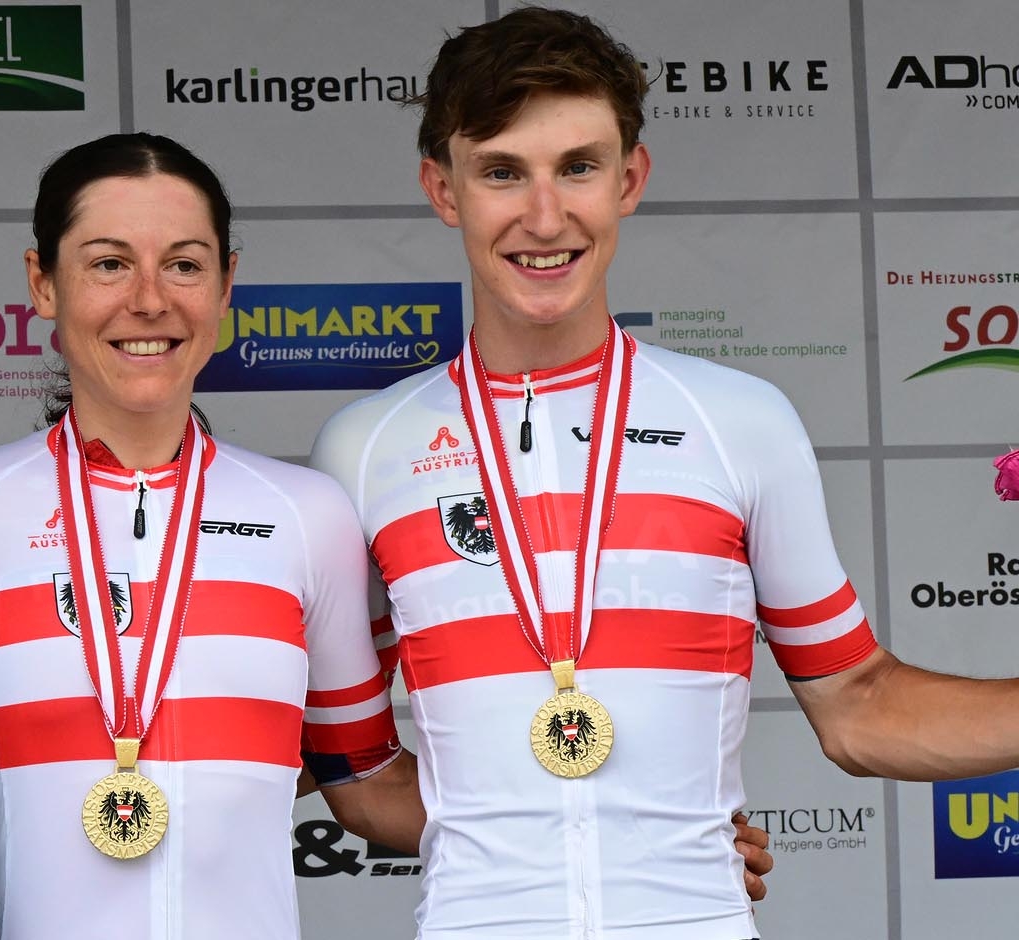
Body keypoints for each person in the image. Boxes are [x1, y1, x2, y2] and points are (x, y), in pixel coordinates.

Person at [309, 7, 1019, 939]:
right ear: (444, 191)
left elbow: (859, 707)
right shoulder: (365, 448)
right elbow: (358, 777)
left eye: (578, 166)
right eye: (501, 172)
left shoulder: (738, 421)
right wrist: (583, 833)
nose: (544, 215)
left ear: (630, 178)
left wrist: (649, 838)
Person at [0, 132, 424, 940]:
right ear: (43, 283)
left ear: (227, 283)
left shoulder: (309, 515)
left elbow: (365, 783)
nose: (149, 300)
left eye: (185, 263)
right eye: (107, 262)